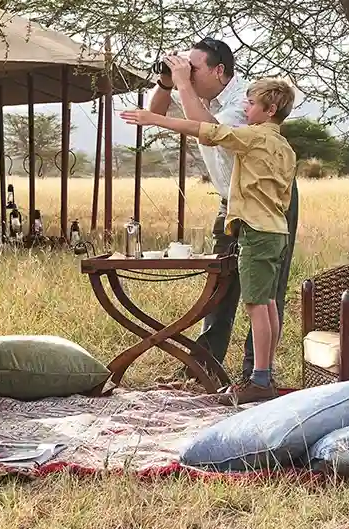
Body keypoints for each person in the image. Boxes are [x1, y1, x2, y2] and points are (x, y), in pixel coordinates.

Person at [122, 78, 298, 405]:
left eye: (252, 104)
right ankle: (265, 374)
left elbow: (208, 131)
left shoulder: (254, 137)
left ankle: (259, 380)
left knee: (256, 305)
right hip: (277, 230)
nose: (246, 109)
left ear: (270, 110)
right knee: (269, 303)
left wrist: (155, 119)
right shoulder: (285, 148)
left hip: (257, 232)